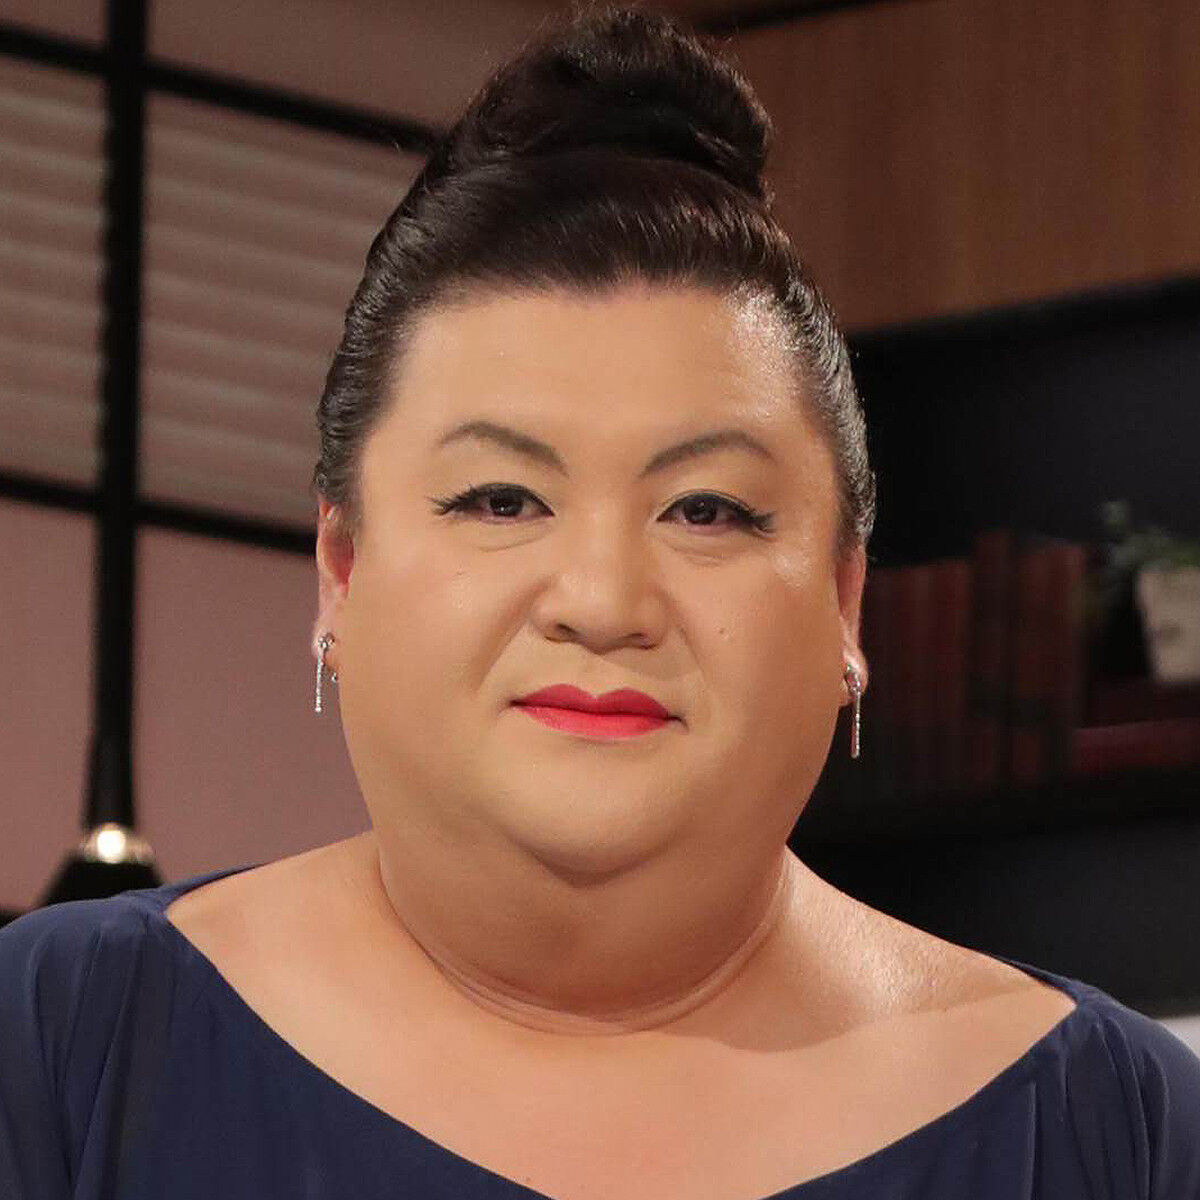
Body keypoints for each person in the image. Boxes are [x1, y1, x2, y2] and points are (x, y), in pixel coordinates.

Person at [2, 7, 1199, 1198]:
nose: (602, 600)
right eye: (500, 499)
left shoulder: (1117, 1127)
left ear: (845, 598)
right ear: (343, 571)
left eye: (706, 510)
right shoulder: (61, 1042)